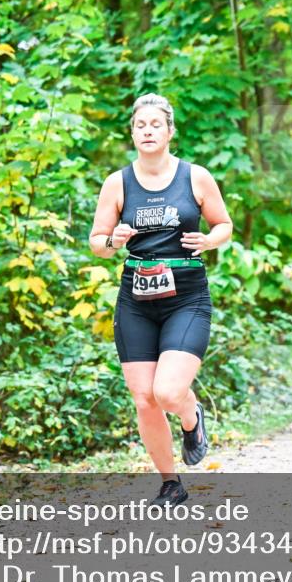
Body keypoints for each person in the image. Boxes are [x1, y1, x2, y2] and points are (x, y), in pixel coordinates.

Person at [89, 93, 233, 505]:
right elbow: (97, 242)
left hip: (186, 296)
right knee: (144, 398)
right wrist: (112, 240)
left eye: (155, 125)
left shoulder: (195, 177)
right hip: (136, 298)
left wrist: (209, 240)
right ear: (132, 133)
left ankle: (192, 419)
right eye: (140, 125)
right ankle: (171, 482)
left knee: (168, 393)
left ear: (169, 131)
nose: (147, 131)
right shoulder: (118, 182)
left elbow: (224, 224)